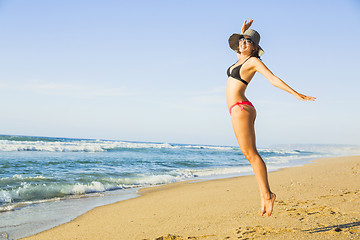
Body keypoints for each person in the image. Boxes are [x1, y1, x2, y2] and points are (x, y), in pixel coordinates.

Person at [226, 20, 316, 217]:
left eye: (248, 42)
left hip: (241, 107)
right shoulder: (241, 59)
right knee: (249, 154)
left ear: (256, 47)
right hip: (237, 108)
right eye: (241, 41)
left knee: (251, 154)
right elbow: (239, 50)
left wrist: (296, 93)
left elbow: (273, 79)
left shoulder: (253, 62)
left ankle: (267, 194)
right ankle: (264, 194)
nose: (242, 43)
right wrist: (242, 33)